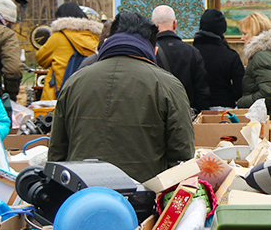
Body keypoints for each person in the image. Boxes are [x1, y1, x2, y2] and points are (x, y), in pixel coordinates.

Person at [48, 11, 194, 184]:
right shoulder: (168, 85)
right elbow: (182, 158)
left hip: (82, 197)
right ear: (154, 50)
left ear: (107, 42)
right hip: (144, 200)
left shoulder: (75, 81)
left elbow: (57, 153)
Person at [36, 2, 102, 101]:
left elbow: (41, 60)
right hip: (87, 94)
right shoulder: (95, 37)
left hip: (58, 96)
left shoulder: (58, 37)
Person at [152, 5, 210, 113]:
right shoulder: (192, 52)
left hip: (157, 114)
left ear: (153, 25)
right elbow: (201, 90)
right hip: (185, 113)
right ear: (175, 24)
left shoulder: (150, 51)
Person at [236, 12, 271, 112]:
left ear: (254, 33)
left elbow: (270, 92)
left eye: (245, 33)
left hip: (266, 115)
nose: (242, 38)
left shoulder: (261, 57)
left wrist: (242, 103)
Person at [193, 9, 244, 108]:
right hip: (224, 107)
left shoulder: (191, 53)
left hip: (196, 108)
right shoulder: (230, 55)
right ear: (222, 31)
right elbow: (240, 88)